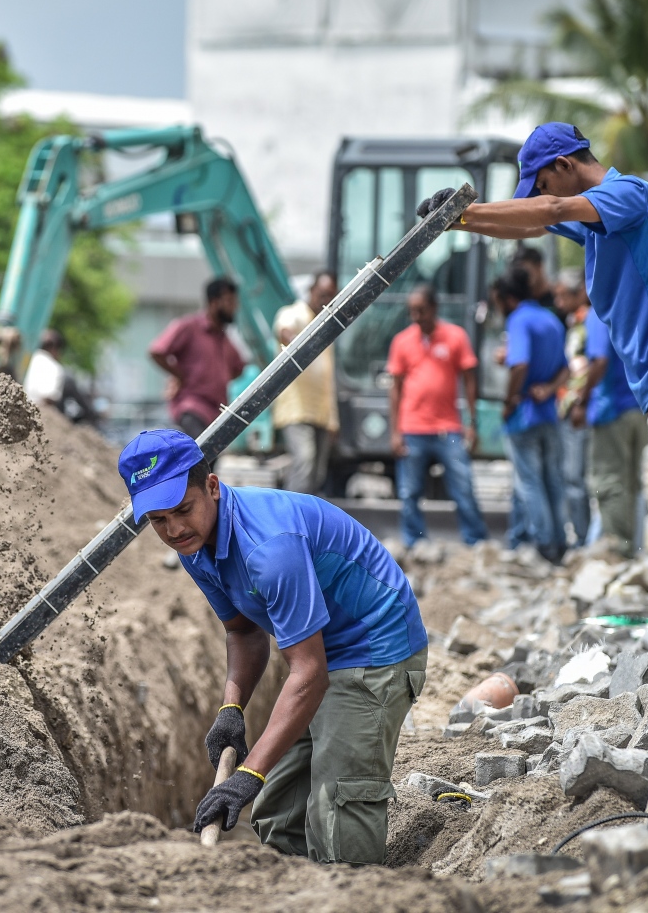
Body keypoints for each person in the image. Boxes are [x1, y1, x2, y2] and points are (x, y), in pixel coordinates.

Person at [416, 122, 648, 673]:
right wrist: (462, 223)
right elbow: (534, 228)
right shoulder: (602, 226)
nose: (538, 197)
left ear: (562, 165)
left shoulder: (629, 195)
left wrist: (462, 216)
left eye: (538, 184)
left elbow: (547, 214)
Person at [118, 428, 427, 865]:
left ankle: (351, 890)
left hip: (373, 648)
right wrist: (232, 709)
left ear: (212, 486)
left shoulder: (268, 549)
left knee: (337, 808)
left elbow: (309, 674)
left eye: (182, 510)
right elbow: (244, 631)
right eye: (157, 521)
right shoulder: (194, 543)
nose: (173, 529)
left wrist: (247, 775)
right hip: (320, 651)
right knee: (279, 811)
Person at [386, 287, 489, 546]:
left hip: (449, 429)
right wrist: (395, 431)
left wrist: (472, 424)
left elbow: (469, 381)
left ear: (434, 308)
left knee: (463, 487)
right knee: (409, 491)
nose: (415, 316)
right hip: (412, 428)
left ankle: (475, 541)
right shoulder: (402, 341)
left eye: (420, 310)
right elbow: (395, 389)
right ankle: (414, 541)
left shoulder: (455, 337)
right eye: (412, 311)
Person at [492, 266, 569, 564]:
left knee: (529, 481)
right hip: (549, 413)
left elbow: (520, 364)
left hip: (523, 414)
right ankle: (560, 542)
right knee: (552, 480)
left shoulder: (518, 321)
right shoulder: (551, 319)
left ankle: (544, 544)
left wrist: (510, 400)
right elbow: (565, 367)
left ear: (509, 299)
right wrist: (550, 389)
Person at [574, 308, 647, 557]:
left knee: (610, 482)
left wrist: (582, 401)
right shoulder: (634, 308)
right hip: (640, 405)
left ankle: (617, 551)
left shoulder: (600, 313)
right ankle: (634, 547)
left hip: (612, 410)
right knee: (632, 482)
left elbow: (600, 360)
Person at [150, 278, 246, 439]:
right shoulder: (189, 327)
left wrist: (218, 378)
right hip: (192, 407)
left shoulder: (224, 338)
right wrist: (180, 375)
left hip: (216, 412)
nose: (234, 307)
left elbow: (239, 367)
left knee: (209, 461)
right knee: (200, 456)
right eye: (229, 301)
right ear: (214, 302)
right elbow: (157, 351)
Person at [273, 273, 340, 494]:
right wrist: (295, 343)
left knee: (317, 473)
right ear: (311, 291)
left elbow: (327, 379)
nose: (325, 300)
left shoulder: (326, 324)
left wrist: (332, 419)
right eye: (322, 295)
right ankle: (289, 519)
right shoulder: (295, 313)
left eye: (330, 297)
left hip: (320, 412)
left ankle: (304, 521)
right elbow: (284, 330)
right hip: (297, 408)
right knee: (304, 461)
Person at [554, 276, 592, 546]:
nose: (558, 302)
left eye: (563, 296)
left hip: (581, 409)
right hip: (571, 407)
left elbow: (593, 367)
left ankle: (584, 538)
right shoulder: (574, 324)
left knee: (576, 478)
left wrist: (581, 403)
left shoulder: (590, 322)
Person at [23, 329, 96, 424]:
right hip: (40, 419)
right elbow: (48, 397)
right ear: (54, 349)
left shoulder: (27, 362)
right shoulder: (54, 367)